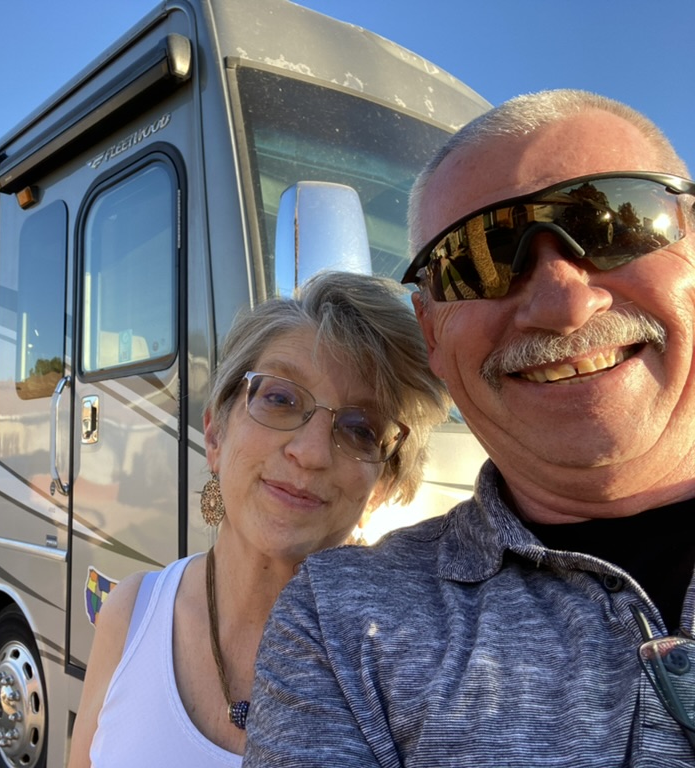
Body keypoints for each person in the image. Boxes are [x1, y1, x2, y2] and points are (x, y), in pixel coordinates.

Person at [243, 89, 695, 767]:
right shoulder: (341, 622)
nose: (564, 304)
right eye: (478, 257)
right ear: (430, 332)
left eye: (617, 227)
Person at [67, 270, 450, 767]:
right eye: (280, 399)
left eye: (359, 429)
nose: (311, 453)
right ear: (215, 435)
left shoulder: (406, 668)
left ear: (382, 487)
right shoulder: (131, 613)